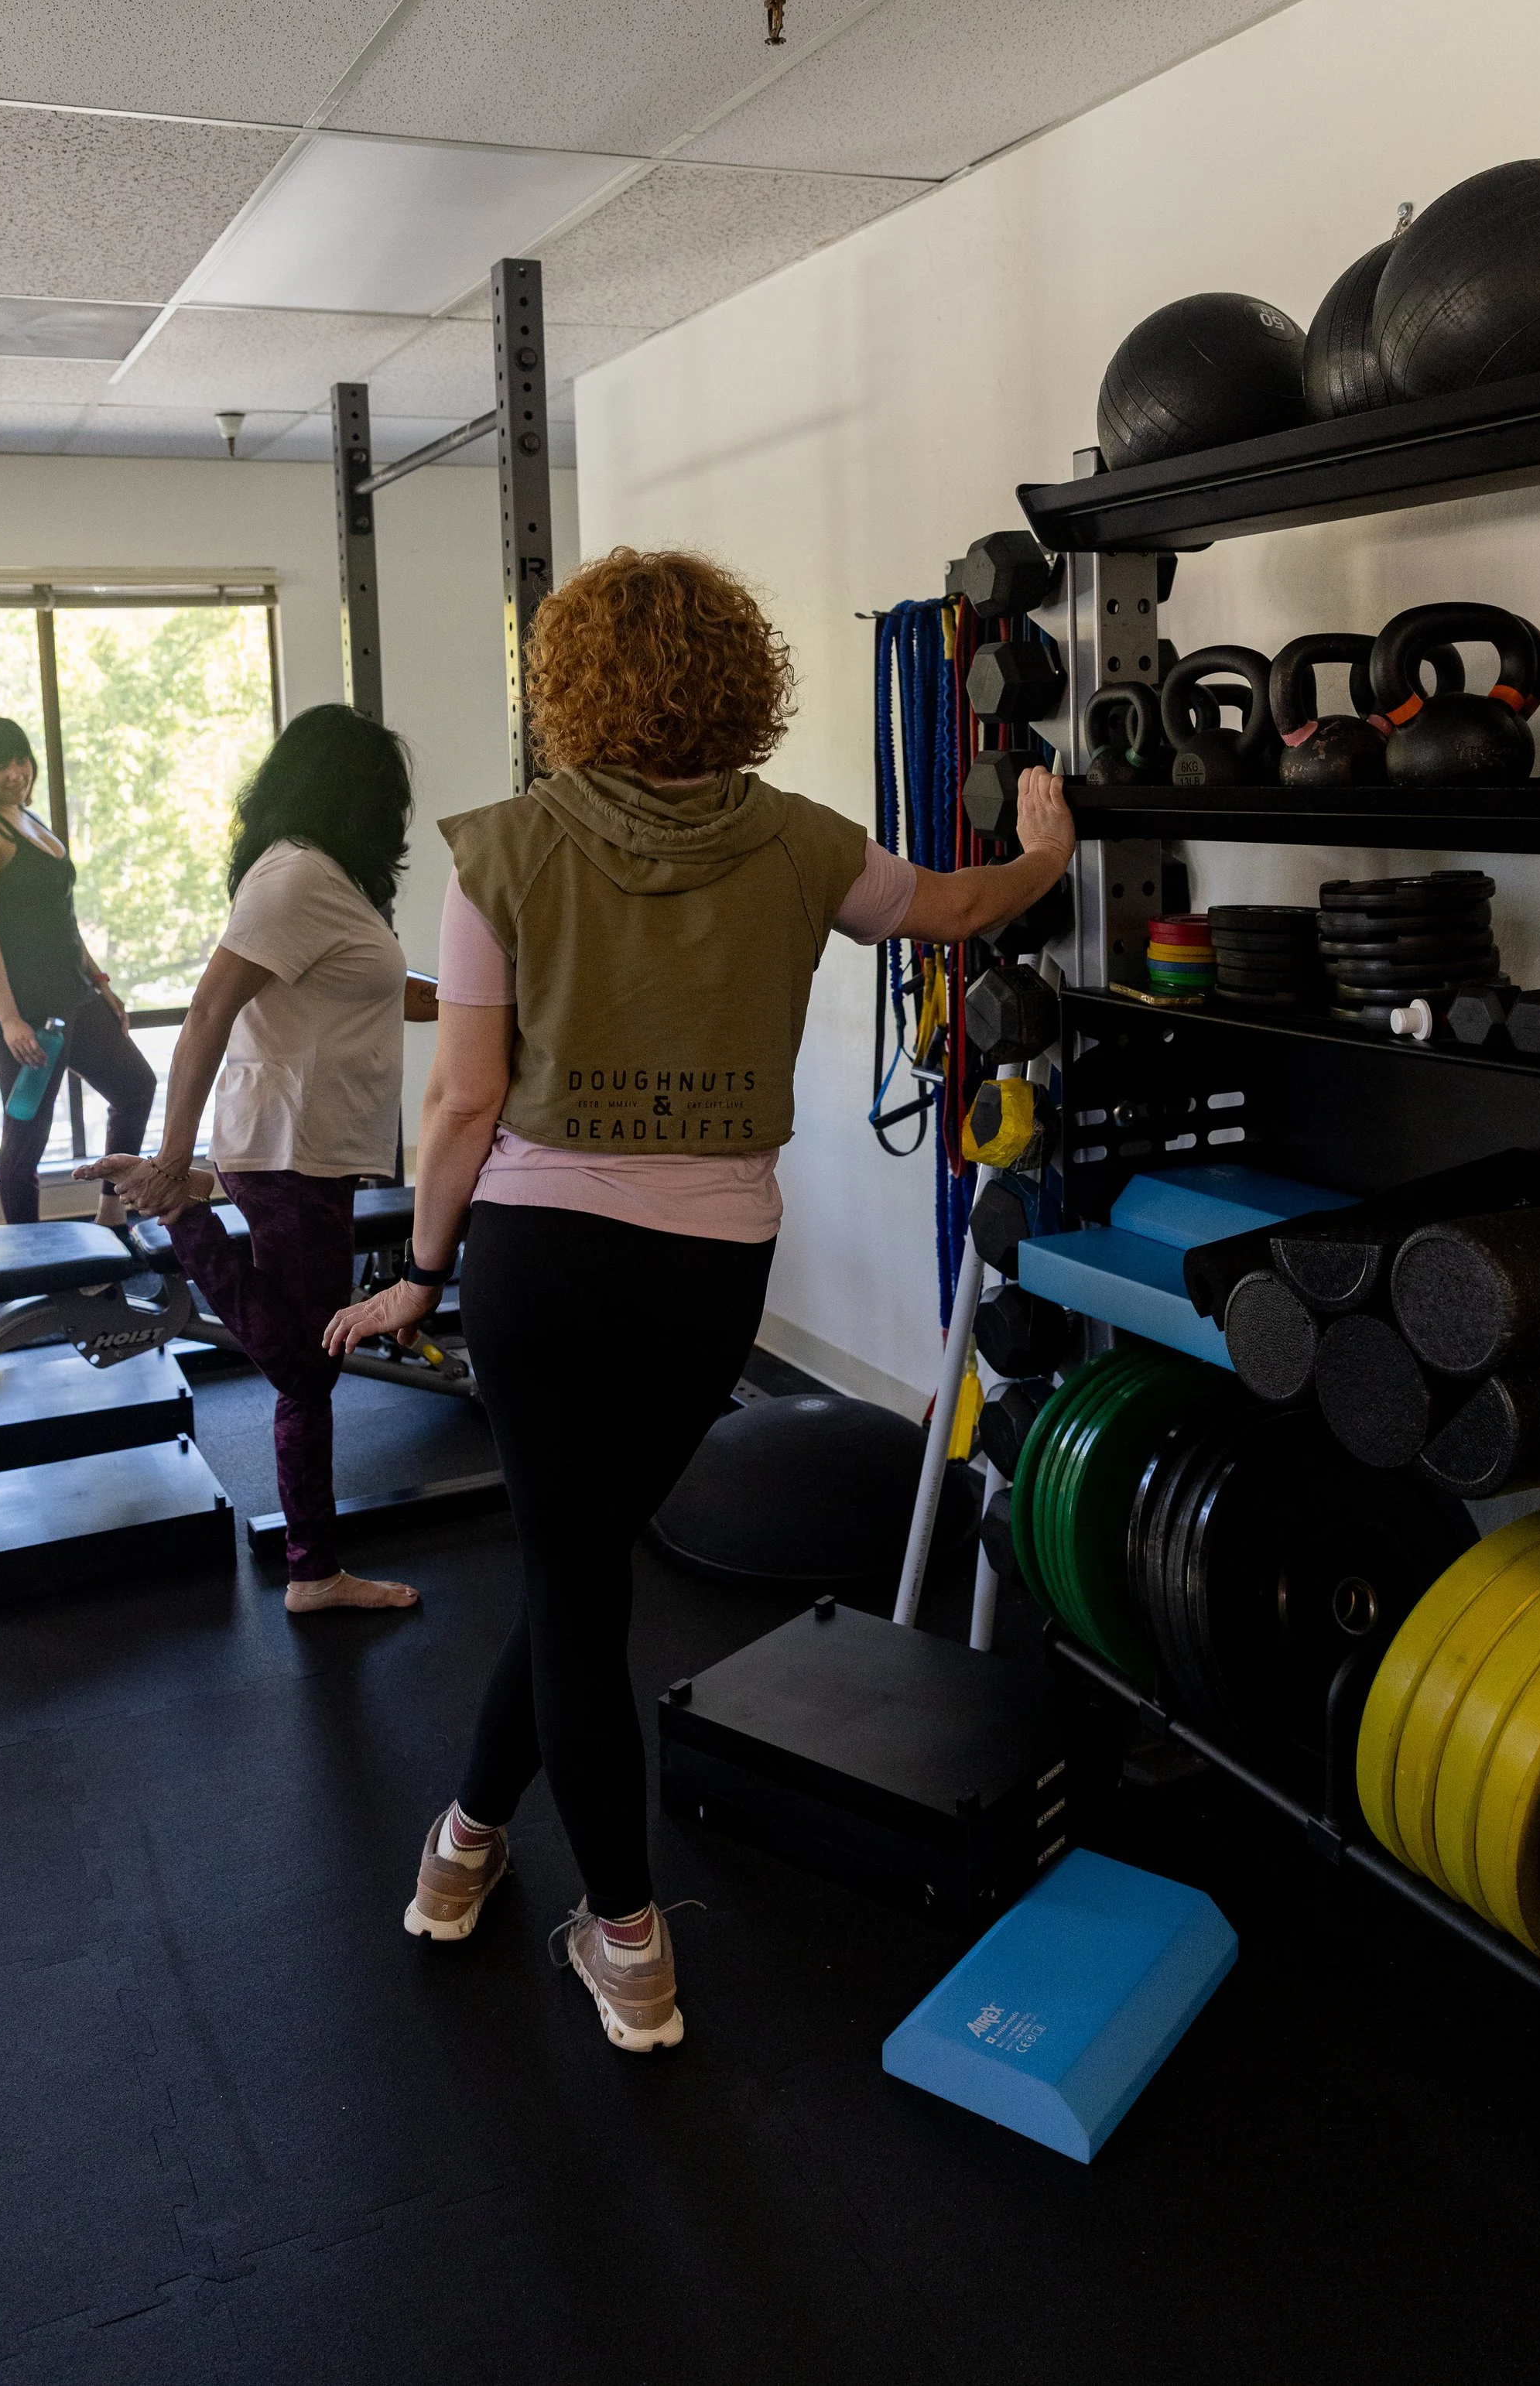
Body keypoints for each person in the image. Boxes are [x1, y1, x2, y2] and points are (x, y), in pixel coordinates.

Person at [322, 547, 1076, 2056]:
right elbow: (950, 906)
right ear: (741, 679)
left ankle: (626, 1947)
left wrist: (416, 1266)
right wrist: (1048, 850)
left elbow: (463, 1101)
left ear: (573, 684)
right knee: (577, 1577)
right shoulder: (803, 842)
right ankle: (467, 1839)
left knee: (574, 1587)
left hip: (538, 1257)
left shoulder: (501, 849)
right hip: (707, 1267)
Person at [87, 705, 440, 1617]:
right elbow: (207, 1012)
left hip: (305, 1152)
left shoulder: (324, 883)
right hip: (290, 1150)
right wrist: (172, 1162)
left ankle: (314, 1568)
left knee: (306, 1359)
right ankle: (314, 1573)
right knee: (305, 1366)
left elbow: (384, 989)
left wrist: (487, 997)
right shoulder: (292, 875)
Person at [0, 717, 155, 1229]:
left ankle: (110, 1215)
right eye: (0, 765)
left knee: (135, 1087)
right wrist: (10, 1020)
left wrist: (101, 984)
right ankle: (26, 1258)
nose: (16, 773)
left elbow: (62, 919)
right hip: (25, 1007)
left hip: (72, 995)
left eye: (21, 760)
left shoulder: (28, 821)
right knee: (27, 1136)